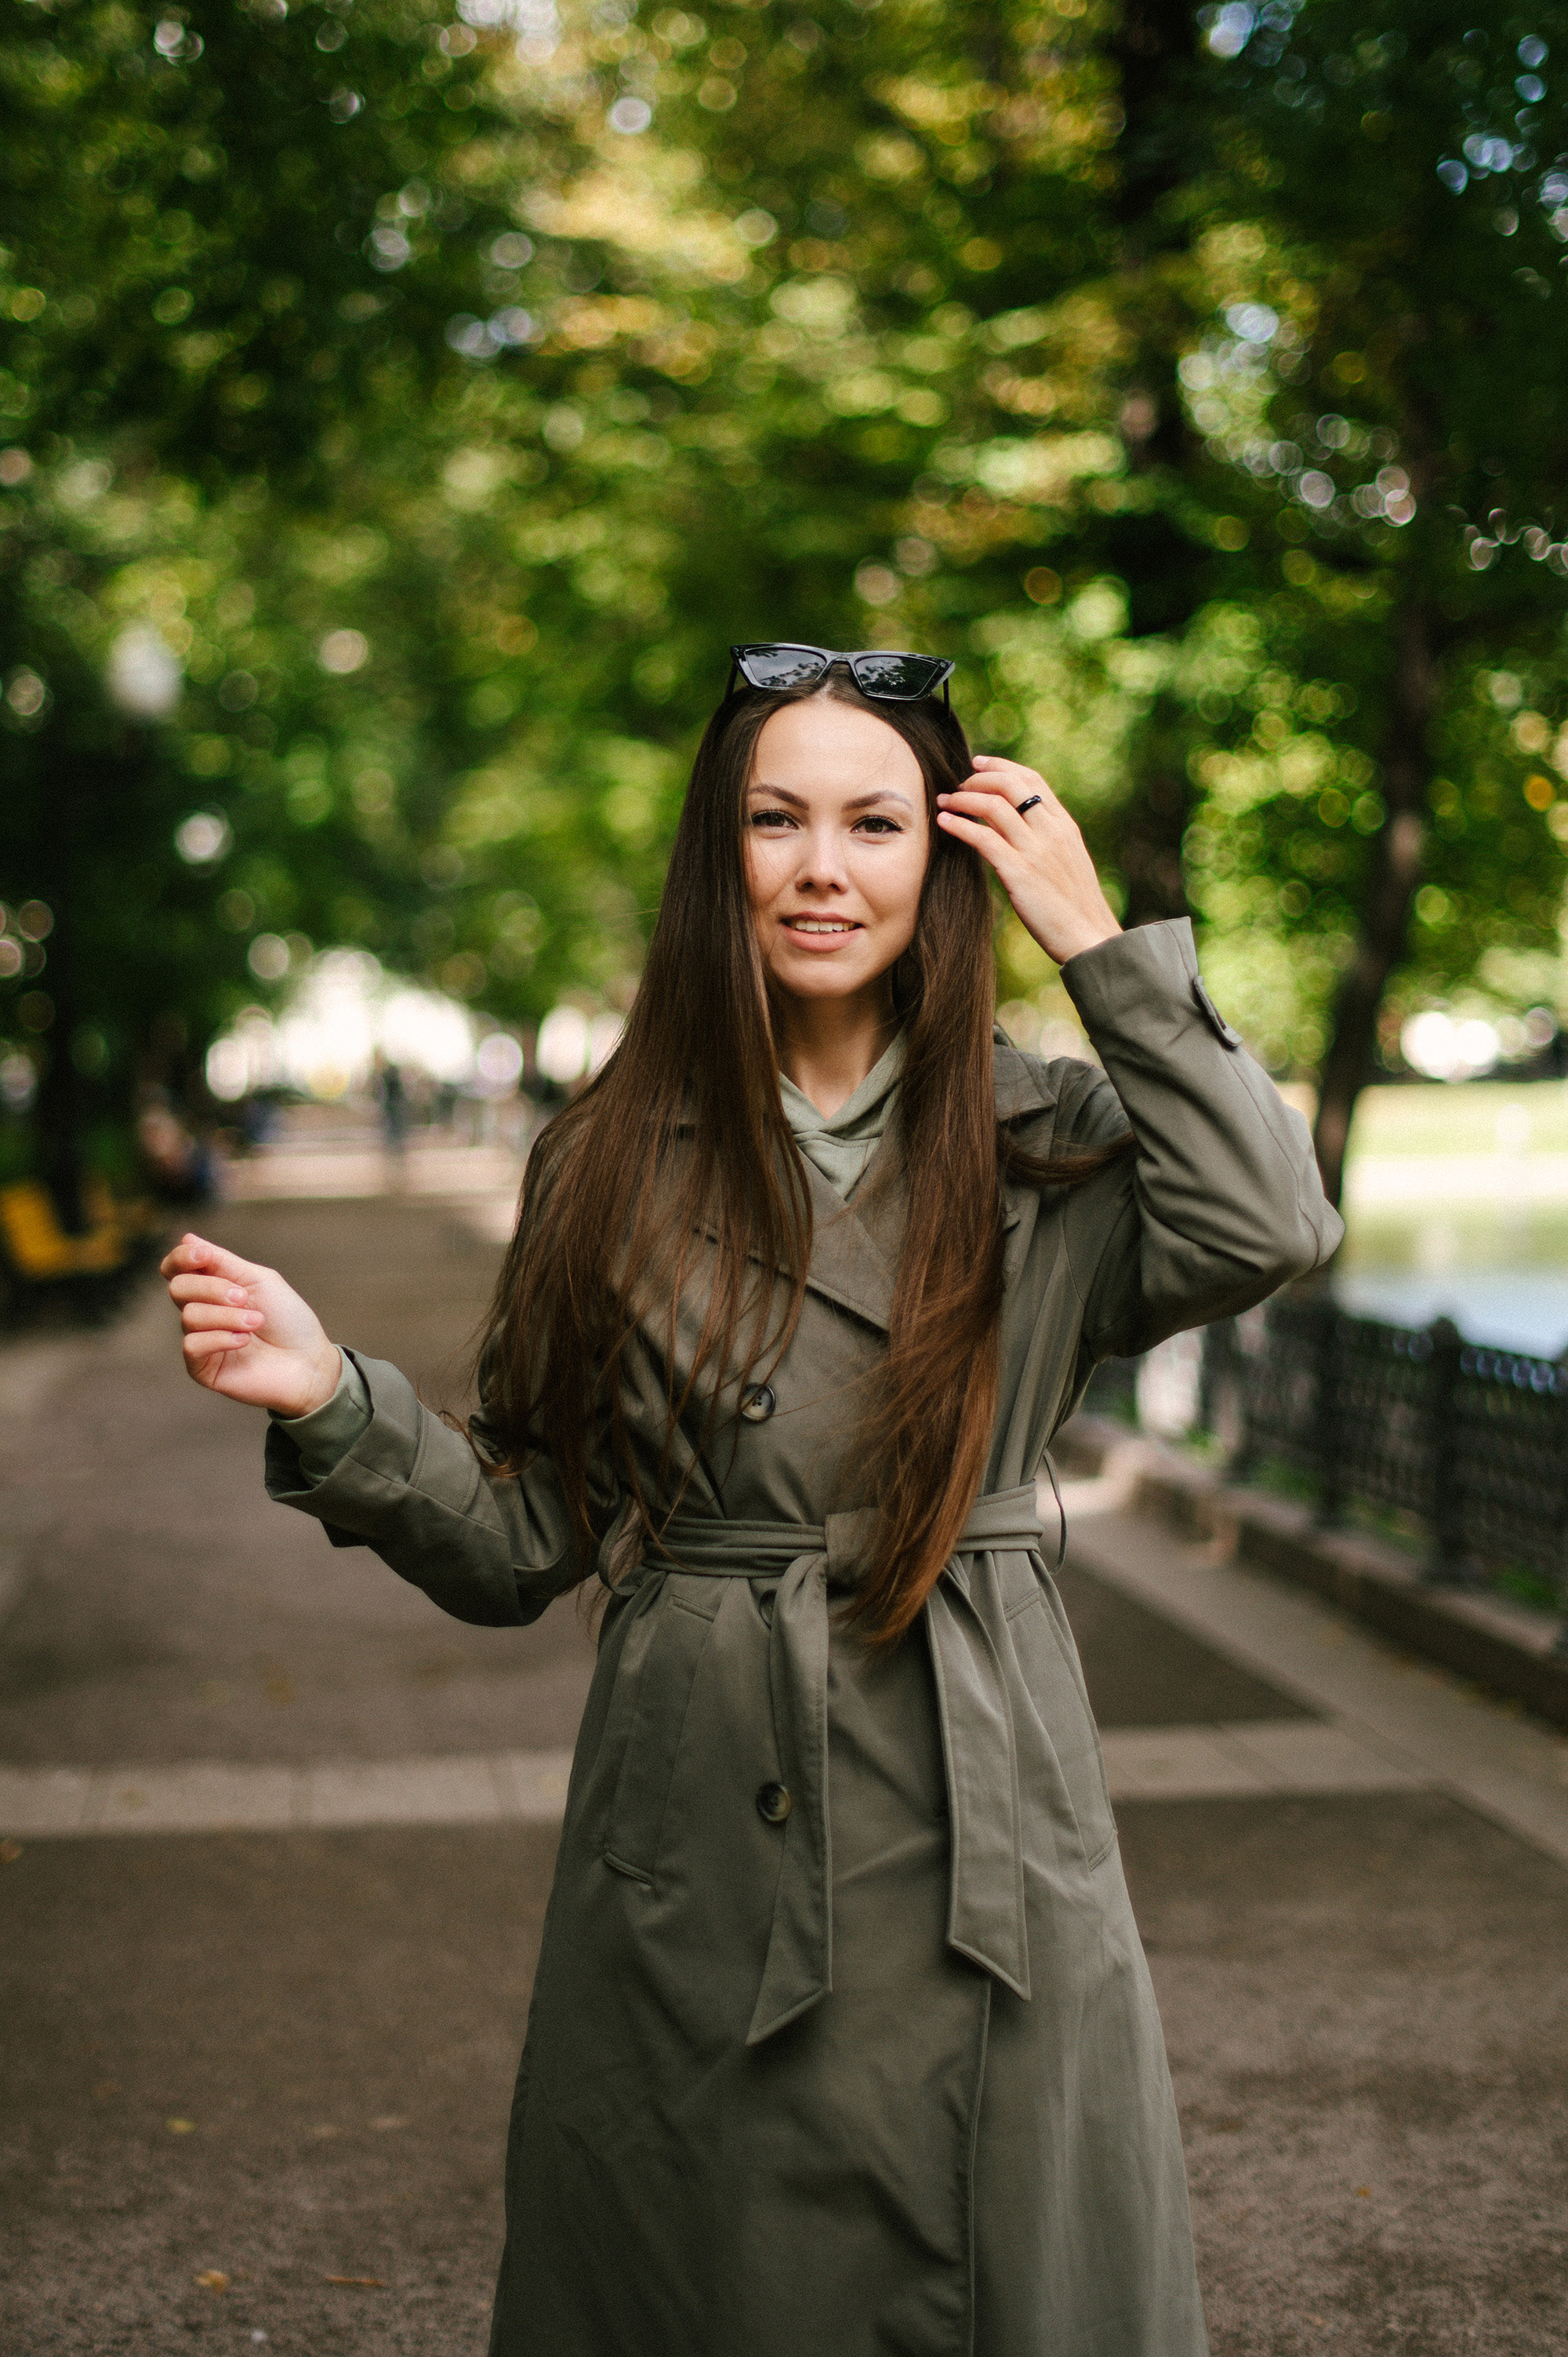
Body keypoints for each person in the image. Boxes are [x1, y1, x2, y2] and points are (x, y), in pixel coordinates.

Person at [162, 643, 1342, 2357]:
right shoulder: (612, 1151)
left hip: (975, 1782)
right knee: (698, 2269)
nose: (819, 867)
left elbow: (1271, 1225)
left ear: (943, 859)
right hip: (705, 1799)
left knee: (1002, 2260)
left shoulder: (1056, 1138)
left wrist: (1098, 945)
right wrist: (335, 1395)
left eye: (874, 822)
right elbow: (524, 1534)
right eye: (772, 819)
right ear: (716, 858)